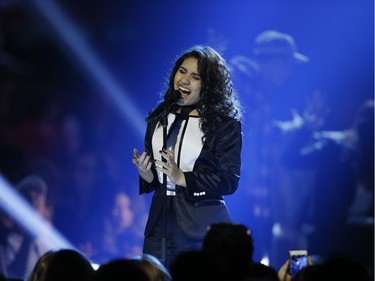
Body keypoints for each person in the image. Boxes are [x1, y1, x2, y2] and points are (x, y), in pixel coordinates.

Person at [132, 45, 243, 268]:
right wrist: (147, 175)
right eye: (181, 71)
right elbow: (158, 175)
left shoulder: (224, 125)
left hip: (201, 226)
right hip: (159, 224)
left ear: (209, 86)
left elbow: (229, 180)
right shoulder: (158, 117)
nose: (184, 80)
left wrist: (182, 177)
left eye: (195, 76)